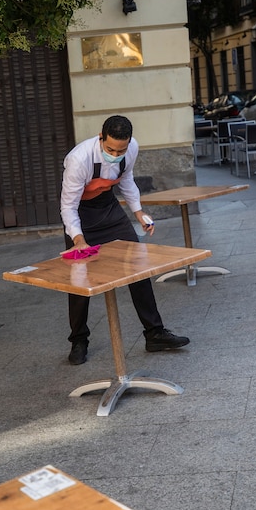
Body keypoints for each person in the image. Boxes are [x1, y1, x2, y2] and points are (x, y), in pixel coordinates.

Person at [59, 115, 190, 365]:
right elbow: (68, 206)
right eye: (110, 149)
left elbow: (127, 181)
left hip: (109, 208)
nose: (116, 154)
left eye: (121, 149)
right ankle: (78, 340)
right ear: (101, 137)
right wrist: (78, 239)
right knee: (78, 280)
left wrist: (138, 212)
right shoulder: (79, 159)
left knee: (138, 265)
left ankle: (154, 333)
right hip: (81, 214)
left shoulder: (132, 149)